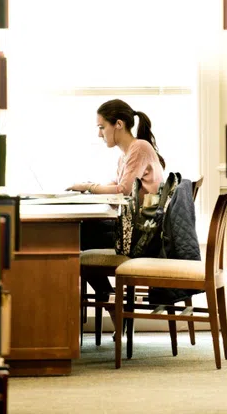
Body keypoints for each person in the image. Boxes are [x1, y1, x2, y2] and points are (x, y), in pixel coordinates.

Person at [68, 99, 166, 331]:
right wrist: (88, 185)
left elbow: (122, 190)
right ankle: (111, 299)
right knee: (81, 233)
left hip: (144, 236)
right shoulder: (126, 155)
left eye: (102, 127)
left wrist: (89, 188)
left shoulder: (139, 148)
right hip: (137, 228)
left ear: (118, 124)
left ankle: (111, 301)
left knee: (78, 236)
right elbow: (116, 184)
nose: (100, 134)